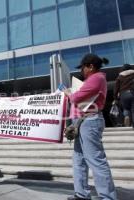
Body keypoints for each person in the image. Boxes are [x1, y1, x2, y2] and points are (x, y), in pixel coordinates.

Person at [63, 53, 117, 200]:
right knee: (79, 159)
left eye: (83, 68)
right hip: (82, 121)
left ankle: (108, 197)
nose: (81, 71)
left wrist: (68, 93)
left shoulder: (96, 78)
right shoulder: (94, 79)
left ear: (91, 66)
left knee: (95, 160)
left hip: (89, 121)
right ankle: (81, 194)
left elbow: (76, 98)